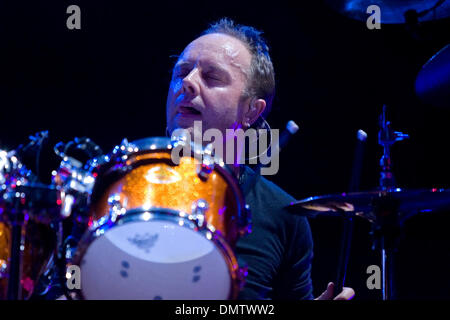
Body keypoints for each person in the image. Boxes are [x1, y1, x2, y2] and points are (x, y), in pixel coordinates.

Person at [166, 18, 354, 300]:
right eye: (181, 72)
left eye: (212, 77)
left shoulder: (285, 216)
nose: (188, 83)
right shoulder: (120, 186)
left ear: (251, 111)